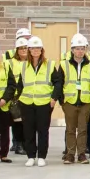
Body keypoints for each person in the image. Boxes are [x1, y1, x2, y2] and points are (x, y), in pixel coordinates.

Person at [57, 33, 90, 164]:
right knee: (70, 129)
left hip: (86, 101)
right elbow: (59, 83)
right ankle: (69, 154)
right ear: (72, 50)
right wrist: (62, 100)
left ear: (86, 49)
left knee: (83, 129)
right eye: (77, 48)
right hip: (69, 101)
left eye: (82, 48)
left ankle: (81, 154)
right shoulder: (64, 65)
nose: (80, 51)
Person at [18, 35, 57, 167]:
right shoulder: (24, 66)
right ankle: (30, 156)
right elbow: (19, 84)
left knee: (42, 130)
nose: (35, 51)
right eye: (33, 49)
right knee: (28, 131)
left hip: (44, 103)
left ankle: (41, 156)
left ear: (42, 50)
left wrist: (54, 98)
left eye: (38, 48)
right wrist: (19, 99)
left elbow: (57, 82)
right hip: (27, 103)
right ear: (29, 50)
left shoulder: (50, 65)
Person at [9, 32, 30, 155]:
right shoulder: (10, 62)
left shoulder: (32, 62)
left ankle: (27, 143)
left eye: (25, 48)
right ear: (16, 50)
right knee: (17, 122)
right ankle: (18, 145)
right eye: (21, 48)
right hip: (16, 96)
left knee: (28, 122)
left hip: (29, 95)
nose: (23, 50)